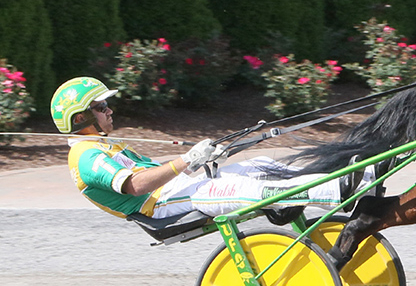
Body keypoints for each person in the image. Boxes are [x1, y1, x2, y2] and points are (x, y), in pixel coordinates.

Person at [51, 77, 371, 220]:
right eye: (101, 106)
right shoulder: (87, 156)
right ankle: (335, 191)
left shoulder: (103, 144)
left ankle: (349, 175)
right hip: (161, 207)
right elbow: (136, 186)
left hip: (175, 190)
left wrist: (199, 161)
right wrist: (186, 160)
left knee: (257, 164)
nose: (109, 110)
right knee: (241, 188)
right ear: (80, 117)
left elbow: (155, 173)